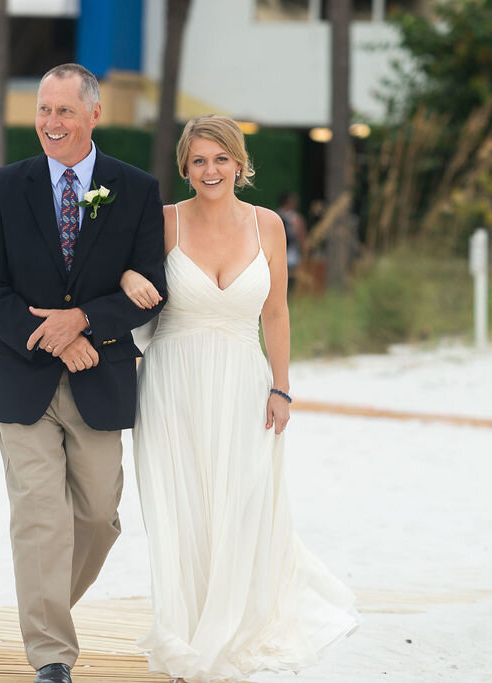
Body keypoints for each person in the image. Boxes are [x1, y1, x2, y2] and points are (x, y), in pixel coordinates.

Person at [120, 115, 359, 683]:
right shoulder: (162, 222)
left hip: (245, 382)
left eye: (221, 159)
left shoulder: (269, 226)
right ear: (184, 167)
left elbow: (275, 313)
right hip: (172, 381)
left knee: (241, 505)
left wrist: (282, 386)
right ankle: (184, 641)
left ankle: (229, 635)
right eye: (199, 160)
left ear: (240, 164)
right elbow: (121, 279)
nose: (211, 171)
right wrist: (130, 275)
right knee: (181, 510)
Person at [0, 64, 166, 683]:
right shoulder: (5, 186)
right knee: (40, 518)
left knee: (98, 518)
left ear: (94, 115)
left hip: (99, 379)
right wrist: (48, 335)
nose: (51, 124)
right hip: (20, 377)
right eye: (44, 111)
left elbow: (151, 288)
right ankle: (52, 653)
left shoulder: (134, 189)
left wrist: (83, 321)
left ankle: (44, 601)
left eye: (64, 112)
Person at [275, 190, 306, 290]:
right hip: (291, 255)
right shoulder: (296, 219)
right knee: (291, 282)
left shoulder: (274, 215)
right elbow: (301, 237)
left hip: (276, 255)